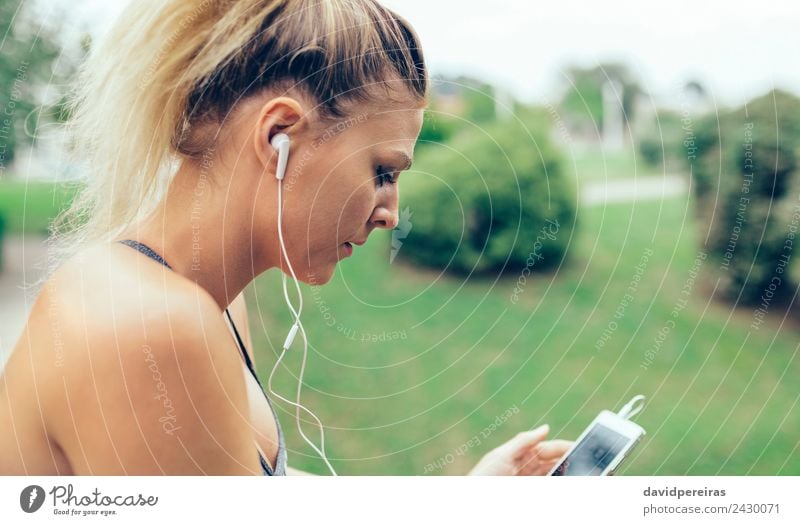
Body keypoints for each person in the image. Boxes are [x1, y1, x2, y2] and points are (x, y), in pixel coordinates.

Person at [0, 0, 570, 475]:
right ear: (279, 136)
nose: (390, 213)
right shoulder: (153, 327)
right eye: (383, 172)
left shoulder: (206, 302)